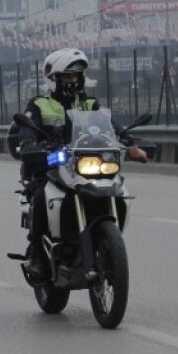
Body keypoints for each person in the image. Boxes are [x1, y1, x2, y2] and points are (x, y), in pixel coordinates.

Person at [13, 48, 143, 282]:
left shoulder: (90, 103)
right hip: (52, 165)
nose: (72, 81)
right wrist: (30, 143)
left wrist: (130, 143)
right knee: (42, 194)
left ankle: (108, 244)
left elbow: (111, 125)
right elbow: (27, 129)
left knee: (118, 188)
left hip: (85, 163)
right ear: (53, 78)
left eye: (75, 76)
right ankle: (37, 257)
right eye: (66, 76)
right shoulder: (39, 104)